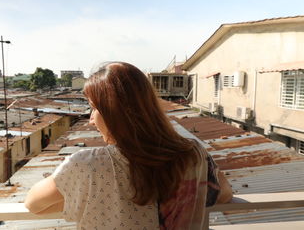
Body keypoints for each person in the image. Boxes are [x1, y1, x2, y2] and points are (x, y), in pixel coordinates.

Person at [25, 62, 233, 229]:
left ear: (115, 112)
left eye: (94, 108)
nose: (90, 119)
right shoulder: (193, 153)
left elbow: (33, 204)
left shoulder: (86, 163)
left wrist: (86, 198)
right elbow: (223, 194)